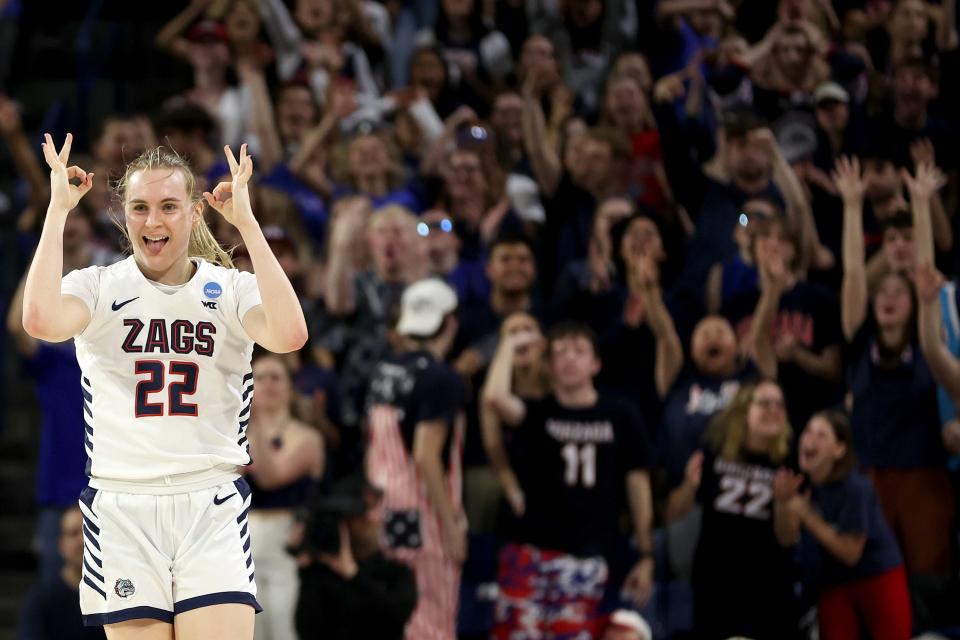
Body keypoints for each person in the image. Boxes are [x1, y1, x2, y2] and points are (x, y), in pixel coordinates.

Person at [21, 135, 307, 639]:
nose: (154, 221)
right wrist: (57, 211)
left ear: (196, 213)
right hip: (123, 506)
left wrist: (248, 224)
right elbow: (40, 320)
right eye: (140, 208)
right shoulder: (98, 285)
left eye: (169, 206)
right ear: (123, 216)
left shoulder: (230, 288)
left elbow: (289, 335)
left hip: (209, 502)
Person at [483, 321, 655, 638]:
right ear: (549, 365)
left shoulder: (620, 413)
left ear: (596, 364)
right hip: (530, 550)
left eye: (579, 351)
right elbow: (495, 397)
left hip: (588, 555)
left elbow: (638, 485)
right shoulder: (539, 413)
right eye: (560, 351)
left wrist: (645, 553)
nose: (569, 358)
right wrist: (509, 344)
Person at [364, 278, 467, 640]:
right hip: (426, 517)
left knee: (396, 617)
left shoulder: (383, 373)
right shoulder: (442, 378)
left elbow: (373, 445)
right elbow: (426, 455)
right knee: (432, 620)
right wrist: (451, 526)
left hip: (384, 508)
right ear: (450, 322)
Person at [667, 381, 800, 639]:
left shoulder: (789, 461)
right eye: (764, 403)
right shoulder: (715, 453)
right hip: (716, 580)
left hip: (768, 584)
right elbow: (673, 512)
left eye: (779, 404)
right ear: (743, 411)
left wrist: (783, 502)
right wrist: (689, 485)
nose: (773, 410)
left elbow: (787, 538)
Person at [780, 410, 911, 640]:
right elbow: (786, 539)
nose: (810, 439)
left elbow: (851, 553)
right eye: (808, 431)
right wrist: (781, 503)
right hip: (832, 581)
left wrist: (806, 515)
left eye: (821, 435)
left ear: (839, 449)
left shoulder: (855, 487)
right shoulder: (799, 484)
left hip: (876, 575)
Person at [244, 351, 325, 640]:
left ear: (290, 388)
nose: (266, 384)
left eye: (275, 377)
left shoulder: (307, 437)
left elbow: (271, 477)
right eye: (259, 378)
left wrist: (253, 425)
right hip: (242, 539)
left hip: (285, 538)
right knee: (250, 631)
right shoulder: (236, 435)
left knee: (282, 627)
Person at [294, 472, 417, 640]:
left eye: (364, 517)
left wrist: (354, 575)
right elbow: (306, 630)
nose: (366, 524)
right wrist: (306, 571)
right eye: (352, 520)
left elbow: (397, 615)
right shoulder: (322, 575)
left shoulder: (394, 572)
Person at [17, 507, 107, 640]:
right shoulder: (41, 600)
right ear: (62, 544)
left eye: (89, 531)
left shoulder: (116, 595)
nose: (83, 540)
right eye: (73, 533)